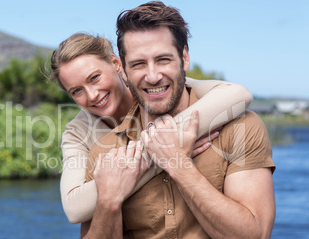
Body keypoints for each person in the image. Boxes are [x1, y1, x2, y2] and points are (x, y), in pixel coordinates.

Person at [76, 1, 276, 239]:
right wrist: (108, 203)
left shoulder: (241, 128)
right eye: (138, 64)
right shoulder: (105, 151)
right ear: (122, 69)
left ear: (184, 57)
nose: (152, 75)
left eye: (163, 59)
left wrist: (178, 165)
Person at [50, 33, 253, 224]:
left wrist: (120, 175)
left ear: (115, 63)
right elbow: (74, 209)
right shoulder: (77, 133)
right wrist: (164, 155)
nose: (92, 95)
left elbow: (238, 95)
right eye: (77, 91)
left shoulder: (154, 89)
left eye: (94, 78)